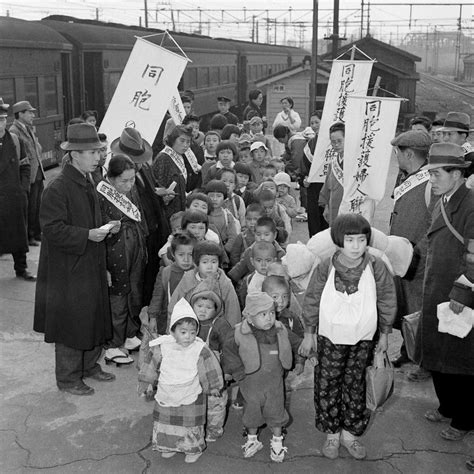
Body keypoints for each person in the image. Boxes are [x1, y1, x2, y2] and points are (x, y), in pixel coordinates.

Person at [300, 213, 396, 460]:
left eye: (362, 240)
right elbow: (311, 300)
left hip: (364, 340)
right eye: (350, 240)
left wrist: (385, 334)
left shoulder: (376, 266)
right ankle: (332, 434)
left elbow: (387, 300)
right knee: (327, 383)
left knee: (357, 385)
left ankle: (350, 435)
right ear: (338, 240)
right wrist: (309, 334)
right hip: (329, 339)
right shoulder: (325, 267)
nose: (356, 246)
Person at [33, 123, 118, 396]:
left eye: (99, 152)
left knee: (93, 314)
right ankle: (68, 378)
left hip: (89, 261)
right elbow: (51, 229)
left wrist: (104, 228)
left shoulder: (85, 179)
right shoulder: (58, 187)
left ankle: (89, 366)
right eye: (92, 152)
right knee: (72, 321)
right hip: (68, 267)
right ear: (74, 155)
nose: (98, 157)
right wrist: (88, 235)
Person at [419, 143, 474, 442]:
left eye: (437, 174)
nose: (432, 180)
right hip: (437, 288)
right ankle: (447, 406)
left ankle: (464, 418)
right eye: (430, 174)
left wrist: (462, 293)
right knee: (439, 352)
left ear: (457, 174)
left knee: (460, 360)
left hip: (459, 294)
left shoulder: (470, 205)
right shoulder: (442, 200)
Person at [138, 297, 223, 463]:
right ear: (173, 331)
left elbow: (209, 367)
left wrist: (213, 385)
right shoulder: (162, 346)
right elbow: (151, 365)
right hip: (167, 391)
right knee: (166, 421)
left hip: (191, 392)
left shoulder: (199, 348)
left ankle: (192, 449)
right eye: (183, 332)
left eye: (192, 332)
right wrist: (146, 383)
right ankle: (170, 446)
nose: (188, 337)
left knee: (190, 423)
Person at [223, 291, 300, 462]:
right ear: (249, 318)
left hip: (275, 384)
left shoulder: (281, 330)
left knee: (276, 410)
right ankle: (252, 440)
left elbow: (297, 343)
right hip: (251, 384)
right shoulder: (237, 333)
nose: (269, 318)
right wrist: (237, 372)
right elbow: (228, 353)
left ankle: (277, 441)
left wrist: (305, 353)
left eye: (272, 313)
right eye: (263, 314)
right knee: (252, 411)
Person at [389, 130, 436, 372]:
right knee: (406, 307)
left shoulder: (431, 182)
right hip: (403, 257)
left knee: (419, 309)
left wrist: (420, 254)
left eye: (398, 152)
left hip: (417, 259)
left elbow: (433, 225)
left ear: (409, 153)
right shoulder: (410, 177)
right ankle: (408, 350)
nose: (396, 156)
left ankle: (424, 362)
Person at [111, 127, 171, 306]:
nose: (138, 164)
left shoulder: (143, 168)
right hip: (137, 240)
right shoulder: (118, 180)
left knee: (150, 279)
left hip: (153, 233)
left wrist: (160, 196)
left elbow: (150, 192)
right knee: (137, 285)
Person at [98, 154, 147, 365]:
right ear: (111, 177)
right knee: (118, 295)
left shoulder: (131, 189)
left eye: (132, 179)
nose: (128, 185)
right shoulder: (100, 194)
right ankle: (113, 344)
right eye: (123, 181)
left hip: (133, 244)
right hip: (114, 249)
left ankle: (129, 333)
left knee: (133, 291)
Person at [189, 278, 233, 442]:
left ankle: (214, 429)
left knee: (216, 404)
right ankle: (197, 426)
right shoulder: (189, 322)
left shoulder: (220, 325)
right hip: (194, 373)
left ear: (216, 309)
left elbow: (230, 348)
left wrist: (228, 371)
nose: (202, 311)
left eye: (208, 307)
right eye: (199, 306)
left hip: (216, 372)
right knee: (196, 402)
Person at [168, 241, 242, 328]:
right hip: (190, 330)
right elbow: (175, 305)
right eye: (205, 262)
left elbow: (233, 312)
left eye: (214, 262)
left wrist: (231, 336)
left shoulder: (224, 283)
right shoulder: (188, 279)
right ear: (196, 263)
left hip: (216, 331)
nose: (210, 266)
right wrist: (172, 330)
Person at [0, 98, 34, 281]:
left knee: (18, 235)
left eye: (3, 119)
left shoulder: (13, 139)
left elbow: (25, 165)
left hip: (14, 196)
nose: (1, 123)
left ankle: (21, 269)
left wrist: (23, 189)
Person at [10, 100, 44, 246]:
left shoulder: (29, 128)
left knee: (37, 206)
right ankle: (29, 236)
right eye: (29, 112)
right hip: (27, 176)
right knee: (29, 207)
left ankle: (36, 232)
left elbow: (37, 149)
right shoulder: (14, 131)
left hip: (37, 172)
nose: (32, 115)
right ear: (20, 114)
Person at [149, 233, 196, 335]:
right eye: (181, 255)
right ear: (173, 254)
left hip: (192, 322)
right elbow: (157, 297)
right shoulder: (166, 272)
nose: (186, 259)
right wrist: (153, 318)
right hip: (169, 321)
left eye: (190, 254)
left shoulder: (197, 273)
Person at [152, 125, 192, 219]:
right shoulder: (164, 158)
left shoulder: (180, 156)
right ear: (173, 140)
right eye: (182, 140)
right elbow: (158, 186)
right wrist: (165, 196)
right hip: (166, 213)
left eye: (188, 142)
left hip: (178, 210)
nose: (185, 145)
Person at [301, 111, 328, 236]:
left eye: (317, 122)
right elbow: (304, 167)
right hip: (313, 187)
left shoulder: (332, 142)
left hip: (329, 186)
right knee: (314, 219)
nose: (314, 125)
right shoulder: (310, 144)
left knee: (328, 219)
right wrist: (303, 179)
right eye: (312, 123)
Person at [318, 122, 345, 226]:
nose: (336, 145)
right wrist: (326, 207)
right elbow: (327, 187)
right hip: (333, 207)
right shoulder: (333, 163)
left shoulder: (355, 163)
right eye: (333, 142)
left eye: (339, 141)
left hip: (348, 208)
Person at [206, 179, 238, 253]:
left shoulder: (227, 215)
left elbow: (233, 236)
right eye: (211, 196)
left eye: (218, 196)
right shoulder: (202, 214)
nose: (214, 199)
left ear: (224, 198)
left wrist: (224, 251)